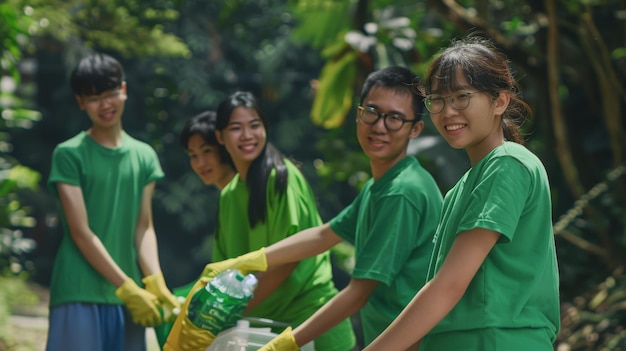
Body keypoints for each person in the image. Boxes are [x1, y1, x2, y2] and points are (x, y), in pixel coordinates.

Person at [363, 36, 560, 350]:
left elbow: (448, 286)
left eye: (461, 97)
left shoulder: (507, 163)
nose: (447, 111)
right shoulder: (461, 187)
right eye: (437, 100)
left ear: (500, 101)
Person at [164, 91, 356, 351]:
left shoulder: (281, 177)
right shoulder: (230, 195)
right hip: (264, 330)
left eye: (255, 125)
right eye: (236, 128)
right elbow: (226, 272)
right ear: (221, 136)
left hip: (310, 326)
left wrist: (221, 317)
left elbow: (287, 262)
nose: (247, 135)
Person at [45, 53, 179, 351]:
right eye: (93, 98)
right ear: (80, 102)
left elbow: (143, 228)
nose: (105, 105)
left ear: (124, 90)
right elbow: (81, 232)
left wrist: (155, 281)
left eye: (110, 94)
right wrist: (127, 287)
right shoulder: (69, 155)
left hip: (130, 299)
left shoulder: (144, 156)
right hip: (79, 291)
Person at [153, 111, 237, 349]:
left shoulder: (240, 192)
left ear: (223, 146)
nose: (200, 163)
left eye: (206, 152)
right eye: (193, 155)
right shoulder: (227, 195)